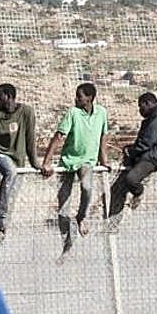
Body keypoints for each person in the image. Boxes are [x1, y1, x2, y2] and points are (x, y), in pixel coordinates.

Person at [41, 82, 108, 252]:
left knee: (86, 187)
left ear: (90, 98)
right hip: (68, 162)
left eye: (80, 96)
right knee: (63, 206)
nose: (76, 99)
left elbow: (103, 137)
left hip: (87, 161)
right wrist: (47, 161)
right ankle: (66, 241)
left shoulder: (101, 113)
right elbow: (59, 136)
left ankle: (81, 216)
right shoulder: (73, 113)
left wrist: (104, 160)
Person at [0, 83, 39, 234]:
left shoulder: (26, 112)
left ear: (9, 97)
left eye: (0, 95)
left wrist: (35, 163)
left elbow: (30, 139)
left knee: (12, 195)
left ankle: (0, 234)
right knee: (10, 171)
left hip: (19, 162)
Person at [108, 92, 157, 227]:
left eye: (141, 106)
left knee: (131, 179)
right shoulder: (154, 116)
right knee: (119, 185)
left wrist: (133, 151)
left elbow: (148, 141)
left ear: (148, 103)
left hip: (154, 156)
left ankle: (138, 193)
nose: (140, 110)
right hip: (148, 154)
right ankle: (114, 219)